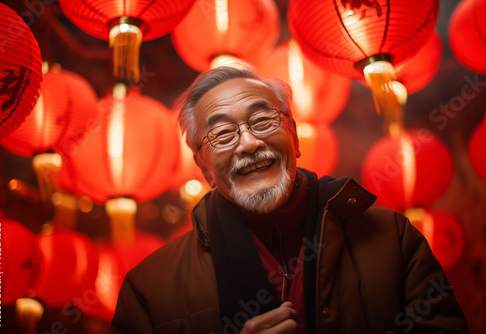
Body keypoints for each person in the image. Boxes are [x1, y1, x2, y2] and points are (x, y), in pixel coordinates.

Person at [111, 65, 468, 334]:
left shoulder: (393, 239)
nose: (249, 144)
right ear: (203, 166)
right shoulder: (149, 289)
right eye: (222, 134)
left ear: (294, 137)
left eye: (263, 120)